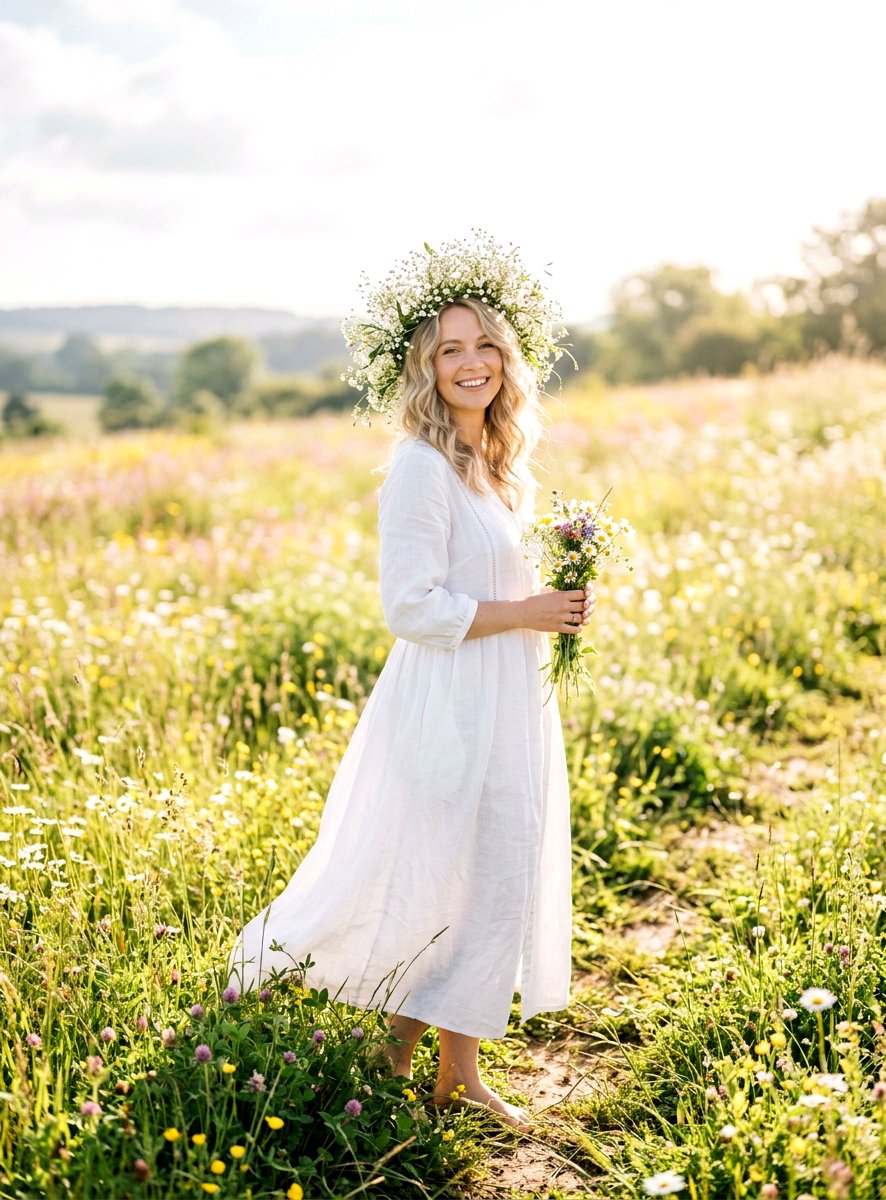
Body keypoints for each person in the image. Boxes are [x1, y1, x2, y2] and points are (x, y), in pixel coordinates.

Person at [226, 234, 593, 1131]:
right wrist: (528, 612)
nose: (471, 364)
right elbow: (413, 606)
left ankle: (437, 1070)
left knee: (487, 874)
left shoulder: (502, 469)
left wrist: (551, 605)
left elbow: (493, 583)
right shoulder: (420, 469)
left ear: (509, 360)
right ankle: (348, 1027)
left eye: (485, 347)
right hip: (446, 705)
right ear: (424, 369)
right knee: (432, 873)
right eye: (449, 350)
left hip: (505, 697)